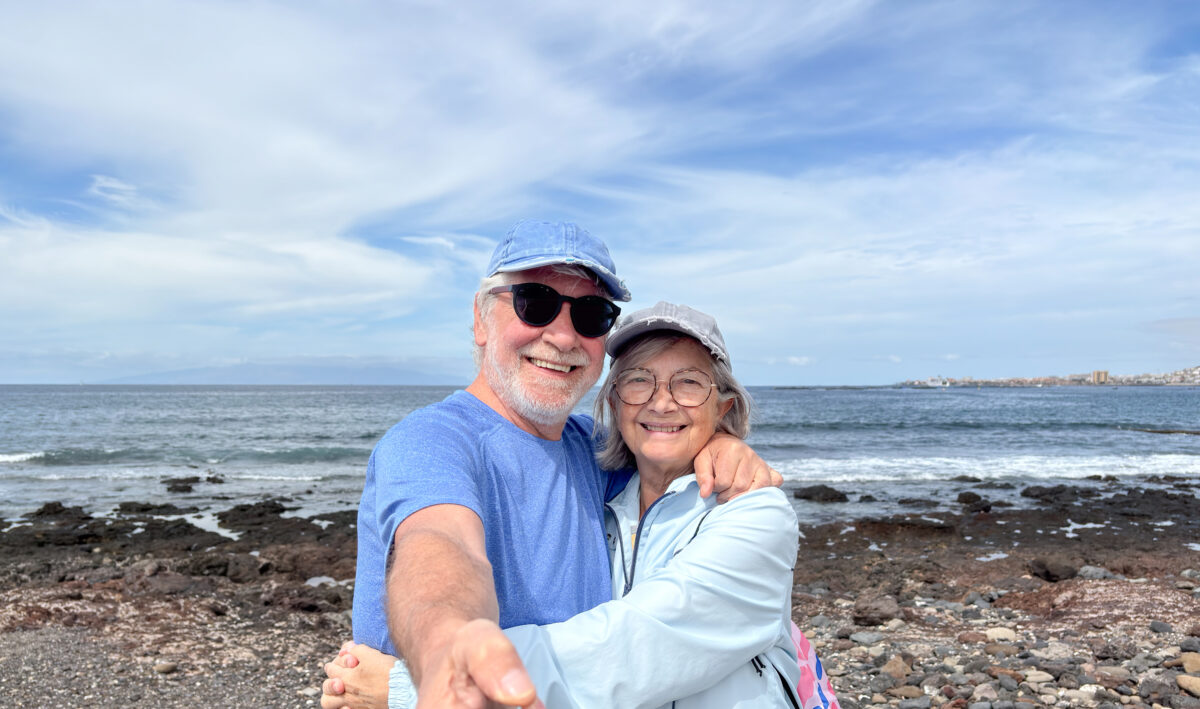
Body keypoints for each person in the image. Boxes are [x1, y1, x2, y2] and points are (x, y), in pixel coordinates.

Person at [339, 222, 781, 708]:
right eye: (536, 302)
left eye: (591, 314)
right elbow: (441, 544)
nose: (564, 335)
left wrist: (720, 442)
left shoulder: (597, 452)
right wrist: (447, 647)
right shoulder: (432, 441)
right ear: (481, 320)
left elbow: (662, 440)